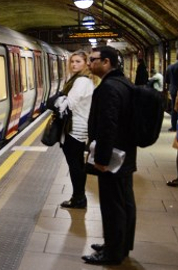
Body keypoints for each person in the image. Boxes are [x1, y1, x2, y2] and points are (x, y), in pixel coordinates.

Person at [82, 46, 136, 266]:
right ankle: (119, 244)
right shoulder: (124, 83)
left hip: (113, 158)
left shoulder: (108, 88)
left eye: (92, 60)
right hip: (125, 155)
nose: (89, 64)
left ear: (106, 62)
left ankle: (112, 253)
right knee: (124, 203)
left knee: (112, 205)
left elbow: (108, 127)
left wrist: (102, 160)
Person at [54, 50, 97, 209]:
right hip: (78, 127)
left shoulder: (81, 82)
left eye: (78, 61)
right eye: (72, 62)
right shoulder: (82, 80)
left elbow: (68, 104)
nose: (74, 64)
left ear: (86, 63)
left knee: (75, 165)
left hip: (75, 129)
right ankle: (78, 196)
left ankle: (78, 198)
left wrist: (59, 101)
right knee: (76, 163)